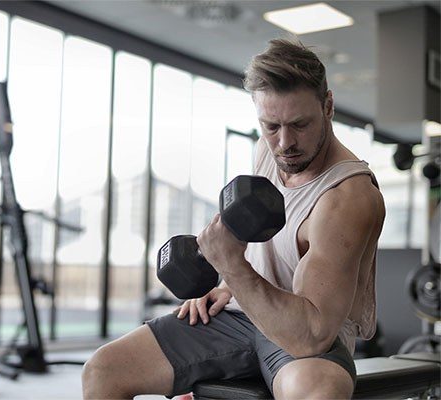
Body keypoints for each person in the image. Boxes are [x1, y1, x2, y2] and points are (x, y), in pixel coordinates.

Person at [81, 38, 386, 400]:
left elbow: (312, 334)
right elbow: (265, 249)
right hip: (240, 314)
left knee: (320, 391)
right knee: (104, 369)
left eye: (300, 124)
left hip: (301, 334)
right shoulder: (267, 151)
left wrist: (230, 266)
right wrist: (223, 287)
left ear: (328, 106)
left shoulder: (347, 199)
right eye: (271, 126)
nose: (285, 142)